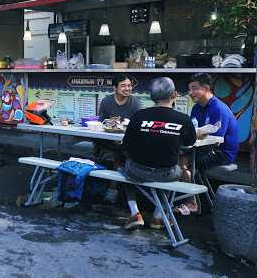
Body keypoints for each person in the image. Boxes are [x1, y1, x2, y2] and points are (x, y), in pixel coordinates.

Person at [121, 77, 196, 230]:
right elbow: (190, 142)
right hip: (167, 173)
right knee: (177, 169)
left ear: (152, 97)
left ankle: (135, 213)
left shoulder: (139, 116)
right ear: (174, 94)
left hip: (137, 171)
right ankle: (158, 217)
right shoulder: (183, 119)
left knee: (123, 169)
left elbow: (126, 146)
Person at [174, 73, 239, 215]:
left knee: (182, 161)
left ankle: (191, 203)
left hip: (221, 153)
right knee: (176, 158)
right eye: (189, 89)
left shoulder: (218, 108)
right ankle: (184, 199)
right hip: (201, 148)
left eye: (194, 88)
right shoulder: (196, 107)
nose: (190, 93)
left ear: (207, 88)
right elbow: (191, 132)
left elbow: (214, 141)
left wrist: (186, 152)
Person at [94, 74, 142, 203]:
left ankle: (114, 188)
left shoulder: (135, 102)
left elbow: (137, 126)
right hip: (109, 139)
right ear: (115, 88)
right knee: (104, 146)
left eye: (129, 85)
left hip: (128, 141)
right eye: (123, 86)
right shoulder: (106, 101)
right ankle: (111, 187)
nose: (127, 88)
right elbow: (102, 123)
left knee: (121, 153)